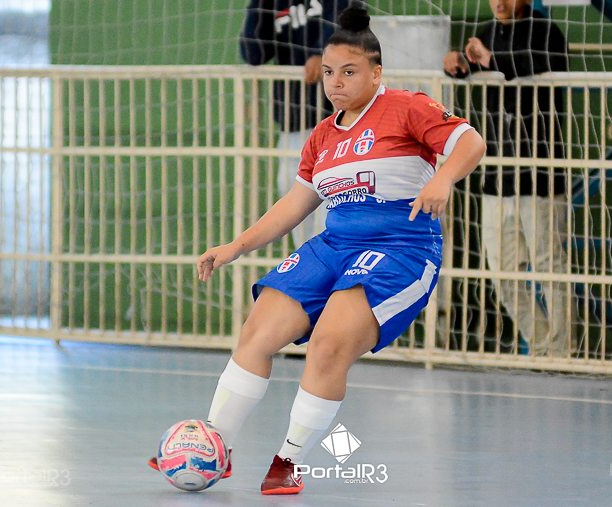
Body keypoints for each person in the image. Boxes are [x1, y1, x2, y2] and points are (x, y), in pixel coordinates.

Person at [181, 3, 484, 495]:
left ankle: (288, 462)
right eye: (328, 72)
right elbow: (296, 203)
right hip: (334, 243)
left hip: (400, 246)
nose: (336, 82)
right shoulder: (322, 135)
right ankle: (215, 447)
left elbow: (470, 142)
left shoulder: (407, 106)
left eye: (349, 71)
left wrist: (443, 179)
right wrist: (235, 246)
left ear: (376, 72)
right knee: (257, 331)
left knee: (327, 344)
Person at [443, 0, 576, 357]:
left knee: (550, 267)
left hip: (540, 173)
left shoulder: (546, 32)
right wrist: (456, 62)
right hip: (497, 175)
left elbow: (531, 66)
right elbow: (471, 67)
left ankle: (562, 353)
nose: (499, 3)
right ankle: (544, 347)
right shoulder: (488, 32)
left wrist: (488, 59)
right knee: (502, 273)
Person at [240, 0, 350, 246]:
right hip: (294, 121)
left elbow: (348, 21)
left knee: (334, 207)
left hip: (341, 122)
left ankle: (333, 267)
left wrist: (323, 52)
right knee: (295, 207)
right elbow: (254, 53)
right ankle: (310, 267)